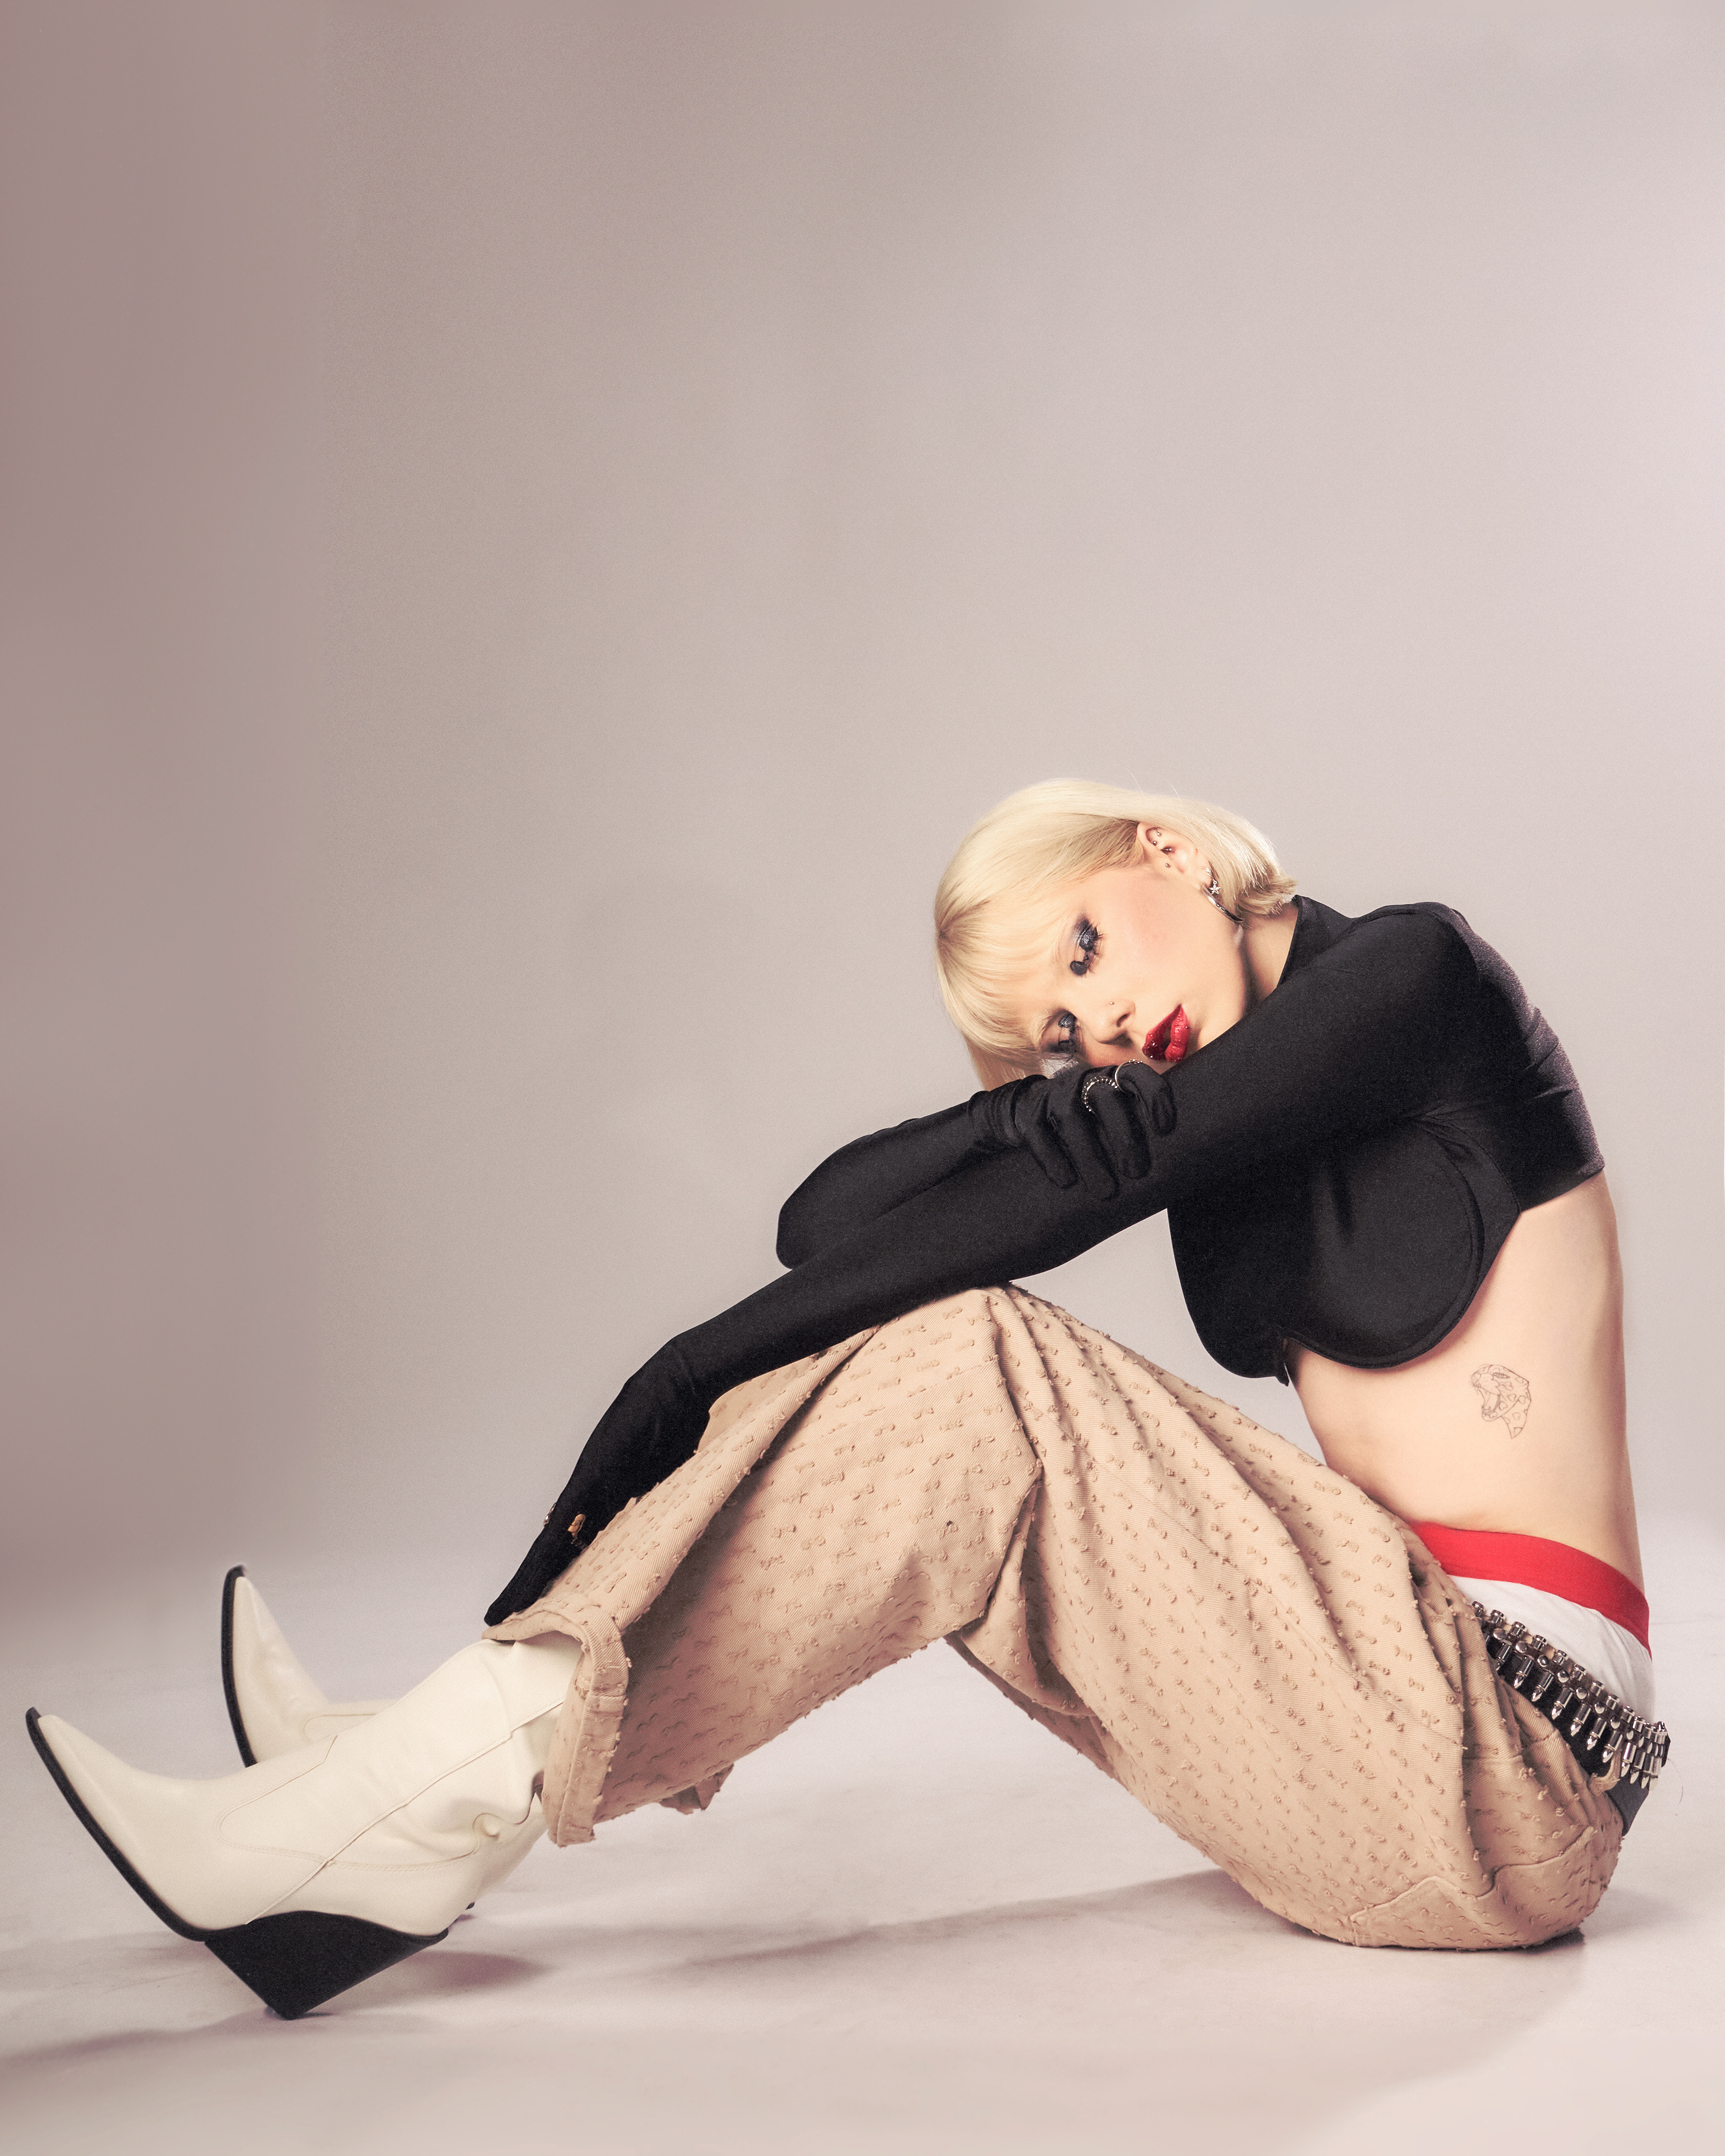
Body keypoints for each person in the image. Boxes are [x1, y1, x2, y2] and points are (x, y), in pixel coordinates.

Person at [29, 780, 1666, 2019]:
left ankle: (406, 1800)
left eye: (1085, 949)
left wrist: (686, 1371)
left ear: (1165, 850)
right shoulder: (1186, 1092)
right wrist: (1025, 1109)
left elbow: (1046, 1212)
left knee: (980, 1368)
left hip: (1518, 1765)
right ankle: (411, 1774)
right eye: (1059, 1030)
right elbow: (826, 1226)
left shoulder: (1415, 982)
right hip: (1361, 1720)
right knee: (945, 1332)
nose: (1103, 1025)